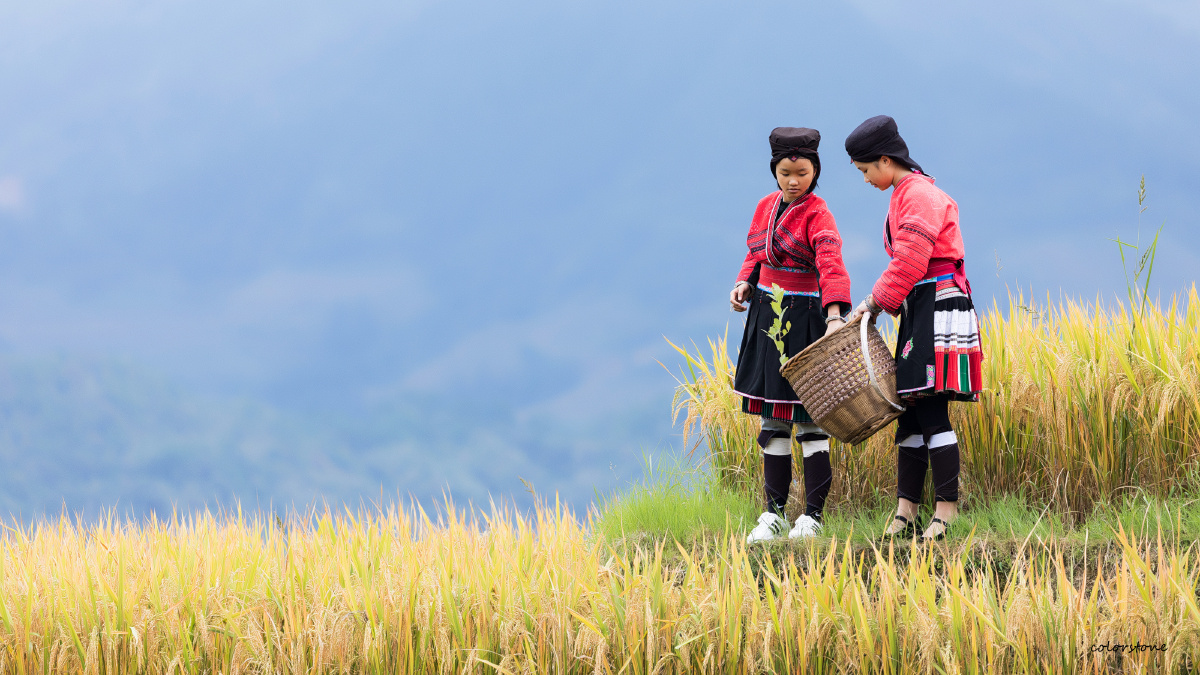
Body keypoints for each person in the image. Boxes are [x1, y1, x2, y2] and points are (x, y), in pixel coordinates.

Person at [844, 115, 984, 541]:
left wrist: (872, 303)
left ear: (886, 161)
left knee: (930, 409)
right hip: (918, 305)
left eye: (867, 171)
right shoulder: (905, 193)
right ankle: (906, 510)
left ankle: (946, 510)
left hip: (935, 304)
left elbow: (910, 261)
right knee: (909, 414)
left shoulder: (918, 195)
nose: (866, 180)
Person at [730, 127, 852, 543]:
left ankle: (812, 517)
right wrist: (745, 283)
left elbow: (831, 264)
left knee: (811, 421)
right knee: (773, 420)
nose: (793, 180)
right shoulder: (766, 207)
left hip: (805, 321)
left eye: (801, 172)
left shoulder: (820, 214)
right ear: (775, 171)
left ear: (815, 171)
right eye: (785, 172)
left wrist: (834, 316)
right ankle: (774, 515)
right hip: (768, 317)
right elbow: (756, 254)